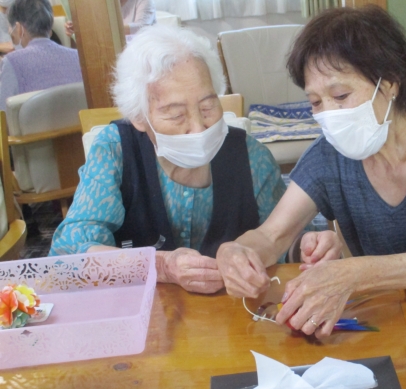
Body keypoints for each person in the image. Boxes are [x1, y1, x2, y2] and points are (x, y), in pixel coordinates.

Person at [216, 6, 406, 338]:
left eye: (341, 95)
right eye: (316, 102)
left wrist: (350, 274)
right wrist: (236, 251)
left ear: (390, 83)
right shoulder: (328, 155)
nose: (329, 114)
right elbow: (271, 236)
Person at [49, 25, 340, 294]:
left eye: (208, 107)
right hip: (144, 316)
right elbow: (70, 253)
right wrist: (161, 266)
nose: (199, 128)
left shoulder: (250, 157)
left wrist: (307, 248)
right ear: (139, 117)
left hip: (234, 316)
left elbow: (283, 240)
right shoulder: (116, 151)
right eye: (176, 115)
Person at [0, 0, 82, 111]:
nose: (10, 32)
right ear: (50, 29)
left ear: (19, 28)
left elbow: (3, 113)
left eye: (11, 28)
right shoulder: (77, 57)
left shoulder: (11, 62)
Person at [64, 0, 156, 39]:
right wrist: (76, 27)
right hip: (110, 52)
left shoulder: (144, 1)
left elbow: (141, 27)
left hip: (141, 52)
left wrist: (104, 30)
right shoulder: (104, 3)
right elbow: (91, 23)